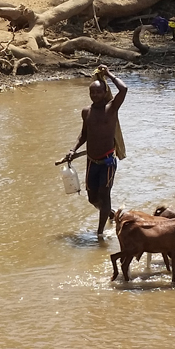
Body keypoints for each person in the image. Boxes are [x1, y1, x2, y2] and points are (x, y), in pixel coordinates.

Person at [64, 64, 128, 239]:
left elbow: (124, 89)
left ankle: (100, 233)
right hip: (93, 161)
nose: (95, 95)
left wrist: (108, 74)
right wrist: (72, 149)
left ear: (104, 92)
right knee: (92, 197)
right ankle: (109, 213)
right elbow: (84, 134)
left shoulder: (111, 108)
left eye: (98, 92)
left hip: (107, 160)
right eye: (92, 93)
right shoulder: (87, 112)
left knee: (104, 194)